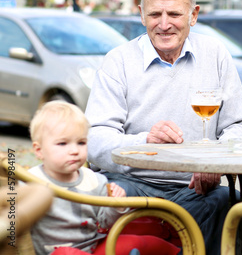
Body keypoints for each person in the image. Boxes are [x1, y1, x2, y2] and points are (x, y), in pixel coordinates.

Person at [85, 0, 242, 254]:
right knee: (104, 199)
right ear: (141, 15)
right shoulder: (118, 61)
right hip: (132, 184)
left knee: (230, 201)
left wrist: (212, 162)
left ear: (193, 15)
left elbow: (240, 126)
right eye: (155, 14)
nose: (164, 24)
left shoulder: (215, 54)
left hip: (195, 187)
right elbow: (94, 140)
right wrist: (145, 143)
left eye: (174, 13)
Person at [29, 101, 178, 255]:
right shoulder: (32, 180)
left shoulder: (94, 180)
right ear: (39, 151)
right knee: (64, 253)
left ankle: (181, 251)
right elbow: (13, 218)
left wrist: (116, 206)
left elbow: (105, 222)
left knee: (138, 242)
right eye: (62, 143)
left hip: (93, 248)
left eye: (81, 142)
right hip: (53, 252)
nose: (74, 150)